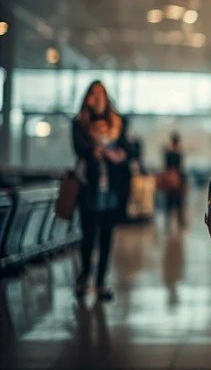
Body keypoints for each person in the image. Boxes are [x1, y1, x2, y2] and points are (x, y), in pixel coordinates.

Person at [72, 80, 129, 301]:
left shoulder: (118, 123)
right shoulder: (79, 123)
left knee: (106, 237)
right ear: (87, 97)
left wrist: (118, 155)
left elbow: (128, 150)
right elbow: (78, 149)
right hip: (88, 185)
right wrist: (95, 150)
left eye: (101, 93)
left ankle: (100, 282)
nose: (97, 98)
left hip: (112, 188)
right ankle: (84, 277)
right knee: (87, 237)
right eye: (93, 93)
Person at [163, 132, 186, 229]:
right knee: (178, 201)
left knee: (171, 201)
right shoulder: (177, 152)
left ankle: (170, 222)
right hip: (177, 178)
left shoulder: (169, 152)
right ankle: (179, 221)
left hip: (171, 178)